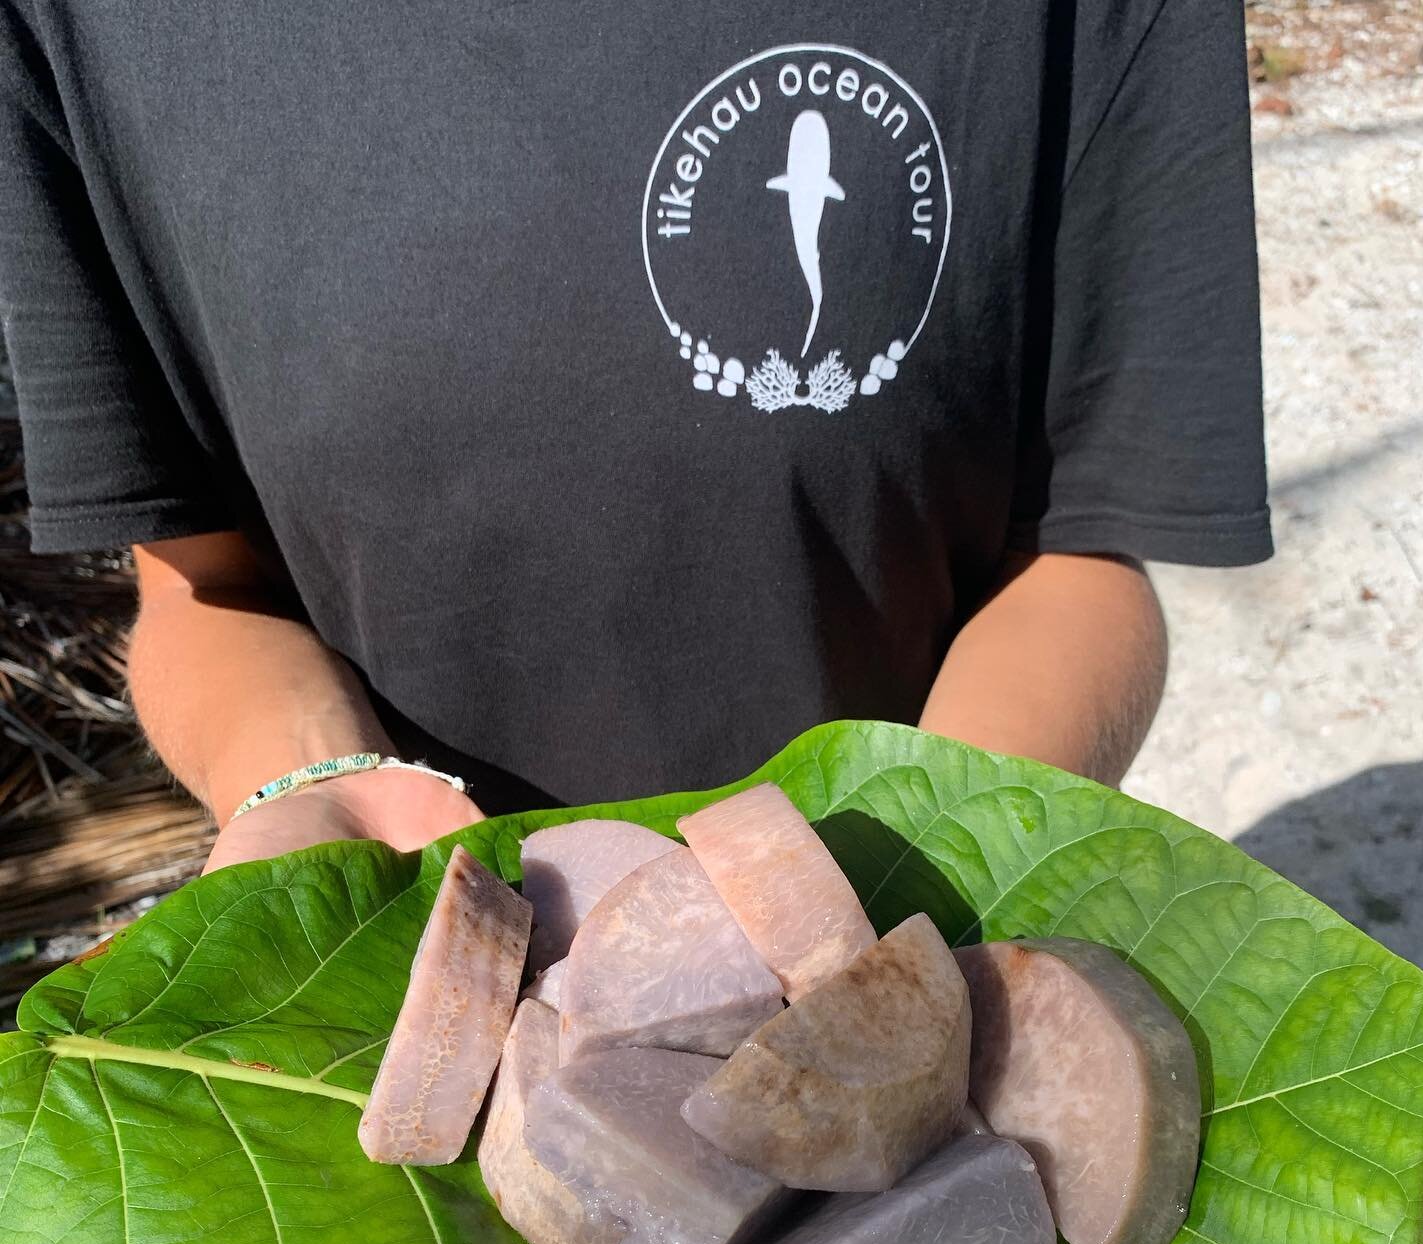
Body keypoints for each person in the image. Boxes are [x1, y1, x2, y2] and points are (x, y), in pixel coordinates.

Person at [1, 1, 1269, 873]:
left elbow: (1081, 553)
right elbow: (201, 585)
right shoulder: (85, 34)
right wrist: (300, 788)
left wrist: (922, 869)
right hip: (419, 1013)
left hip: (908, 961)